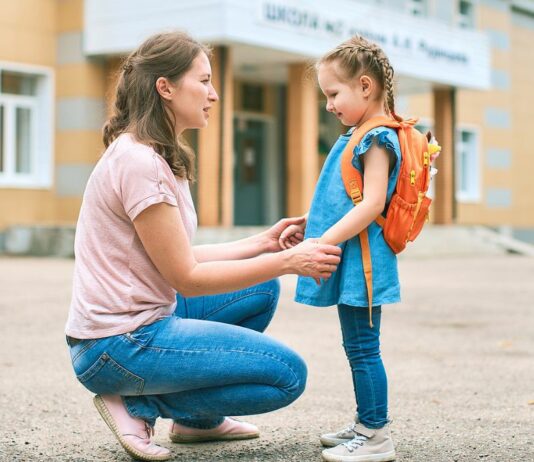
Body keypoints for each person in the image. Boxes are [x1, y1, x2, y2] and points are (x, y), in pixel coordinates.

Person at [65, 31, 342, 462]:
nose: (213, 94)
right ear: (166, 87)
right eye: (204, 81)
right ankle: (136, 404)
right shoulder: (139, 163)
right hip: (115, 346)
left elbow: (182, 259)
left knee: (260, 288)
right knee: (287, 376)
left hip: (138, 326)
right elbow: (188, 279)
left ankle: (198, 421)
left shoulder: (155, 155)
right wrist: (288, 262)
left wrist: (265, 243)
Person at [280, 35, 438, 462]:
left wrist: (320, 241)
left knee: (364, 348)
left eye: (334, 93)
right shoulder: (363, 133)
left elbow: (370, 204)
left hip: (364, 262)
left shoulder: (377, 138)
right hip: (355, 257)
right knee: (357, 345)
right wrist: (308, 224)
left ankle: (376, 435)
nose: (328, 104)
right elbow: (345, 199)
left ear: (365, 87)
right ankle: (366, 422)